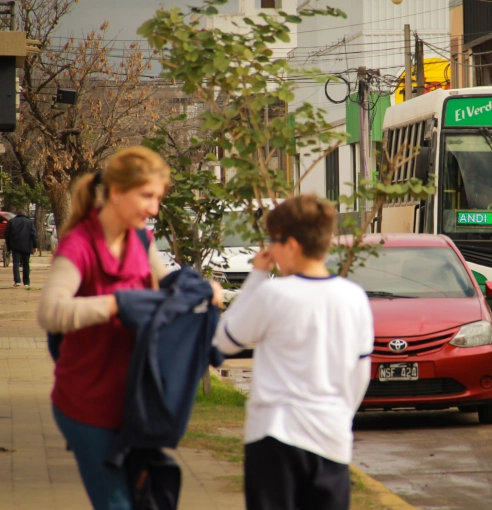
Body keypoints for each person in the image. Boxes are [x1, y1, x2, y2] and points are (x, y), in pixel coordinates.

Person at [36, 146, 224, 510]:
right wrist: (116, 304)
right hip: (87, 405)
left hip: (135, 405)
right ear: (117, 192)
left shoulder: (141, 239)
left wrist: (200, 291)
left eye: (158, 198)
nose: (153, 209)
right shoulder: (79, 245)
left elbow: (167, 286)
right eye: (147, 196)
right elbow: (51, 313)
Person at [212, 194, 374, 510]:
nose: (269, 248)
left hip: (275, 436)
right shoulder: (355, 298)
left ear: (292, 245)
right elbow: (360, 376)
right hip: (332, 437)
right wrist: (339, 416)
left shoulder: (273, 293)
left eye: (273, 240)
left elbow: (223, 341)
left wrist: (257, 276)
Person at [4, 205, 39, 288]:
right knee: (26, 264)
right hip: (27, 245)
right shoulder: (29, 222)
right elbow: (33, 234)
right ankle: (26, 282)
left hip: (15, 245)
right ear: (25, 213)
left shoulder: (12, 221)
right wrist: (35, 245)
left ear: (17, 214)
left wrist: (9, 245)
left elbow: (7, 234)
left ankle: (17, 281)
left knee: (16, 263)